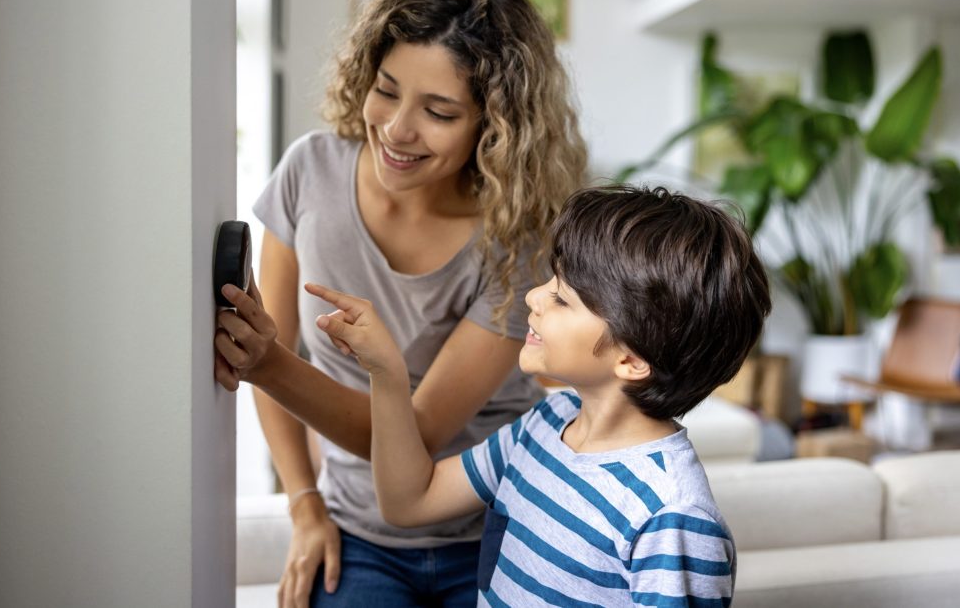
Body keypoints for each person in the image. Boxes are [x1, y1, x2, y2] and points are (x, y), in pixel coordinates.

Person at [214, 0, 586, 607]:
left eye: (438, 112)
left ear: (492, 127)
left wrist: (268, 364)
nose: (396, 129)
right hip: (359, 533)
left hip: (503, 525)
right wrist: (304, 505)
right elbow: (272, 339)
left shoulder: (517, 233)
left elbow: (413, 438)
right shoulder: (310, 172)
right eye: (386, 90)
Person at [306, 185, 772, 606]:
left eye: (562, 298)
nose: (533, 296)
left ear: (630, 360)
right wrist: (386, 373)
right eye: (551, 282)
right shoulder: (547, 421)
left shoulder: (673, 516)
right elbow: (409, 502)